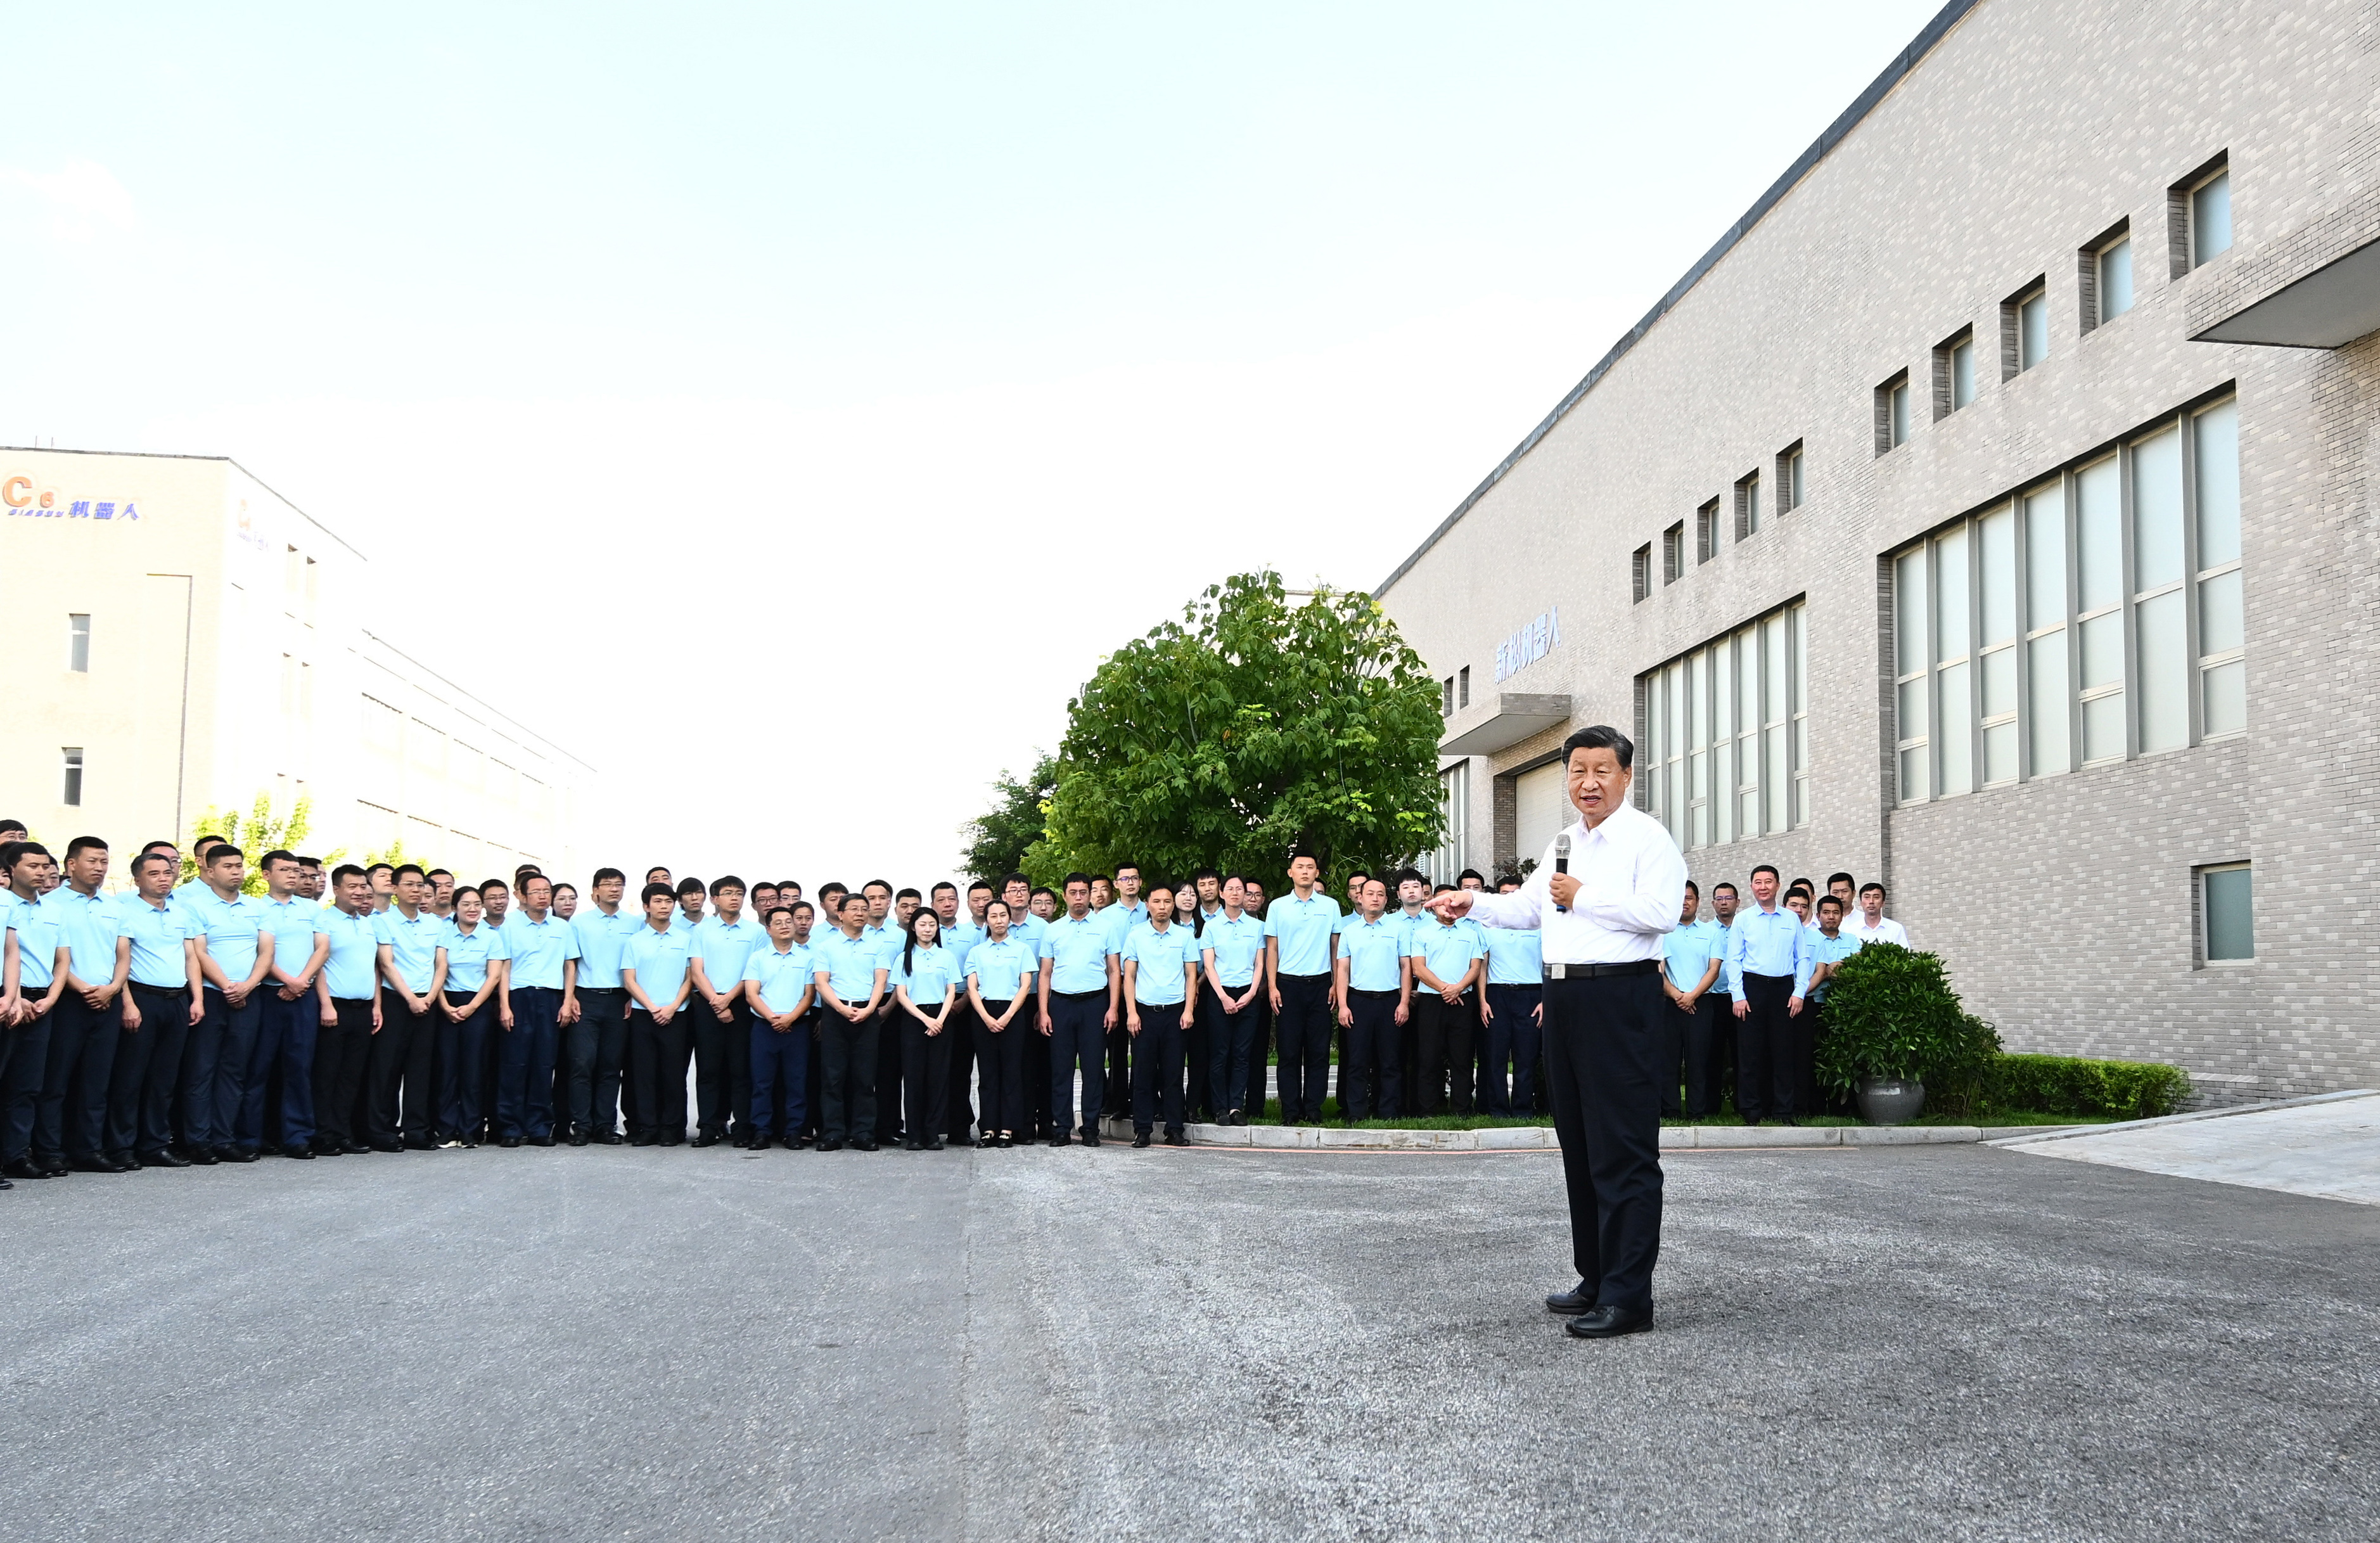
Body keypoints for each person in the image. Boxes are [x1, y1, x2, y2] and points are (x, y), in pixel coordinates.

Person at [1432, 725, 1686, 1340]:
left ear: (1626, 774)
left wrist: (1584, 895)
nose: (1588, 782)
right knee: (1580, 1143)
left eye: (1602, 770)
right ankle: (1596, 1277)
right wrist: (1474, 903)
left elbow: (1662, 912)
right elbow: (1531, 908)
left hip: (1619, 996)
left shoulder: (1648, 838)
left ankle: (1630, 1297)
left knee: (1623, 1148)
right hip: (1565, 997)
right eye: (1578, 771)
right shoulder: (1565, 840)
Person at [106, 852, 202, 1170]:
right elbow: (121, 959)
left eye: (167, 872)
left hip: (176, 999)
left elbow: (190, 957)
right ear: (137, 879)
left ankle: (156, 1145)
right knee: (131, 1077)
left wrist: (197, 999)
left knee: (165, 1078)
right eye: (154, 874)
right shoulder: (124, 910)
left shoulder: (181, 912)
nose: (164, 878)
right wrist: (128, 1003)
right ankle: (122, 1146)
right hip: (141, 997)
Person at [38, 836, 127, 1175]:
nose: (99, 868)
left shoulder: (114, 906)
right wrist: (83, 988)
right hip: (68, 999)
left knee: (97, 1080)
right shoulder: (51, 904)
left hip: (108, 1000)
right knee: (57, 1080)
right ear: (71, 864)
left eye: (104, 861)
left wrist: (113, 988)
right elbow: (52, 955)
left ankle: (89, 1148)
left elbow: (123, 954)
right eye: (92, 861)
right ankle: (50, 1150)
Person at [184, 843, 277, 1165]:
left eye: (239, 865)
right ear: (210, 871)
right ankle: (198, 1141)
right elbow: (199, 952)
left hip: (249, 995)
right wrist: (226, 986)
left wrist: (248, 986)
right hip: (212, 995)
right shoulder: (195, 906)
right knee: (202, 1070)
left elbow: (266, 951)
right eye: (228, 866)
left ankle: (224, 1139)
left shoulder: (257, 907)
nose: (236, 871)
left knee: (235, 1071)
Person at [246, 849, 329, 1160]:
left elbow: (322, 949)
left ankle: (297, 1136)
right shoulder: (255, 907)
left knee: (299, 1067)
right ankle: (252, 1136)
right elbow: (259, 952)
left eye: (296, 870)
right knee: (259, 1067)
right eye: (285, 870)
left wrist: (300, 982)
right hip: (267, 994)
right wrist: (285, 980)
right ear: (267, 875)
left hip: (303, 996)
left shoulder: (311, 909)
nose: (293, 875)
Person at [1726, 864, 1813, 1127]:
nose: (1763, 887)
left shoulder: (1791, 919)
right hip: (1752, 988)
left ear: (1778, 885)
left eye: (1768, 882)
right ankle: (1752, 1110)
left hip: (1784, 990)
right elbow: (1734, 959)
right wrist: (1738, 995)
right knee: (1750, 1053)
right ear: (1752, 886)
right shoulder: (1743, 919)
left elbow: (1802, 958)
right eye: (1758, 882)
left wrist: (1799, 992)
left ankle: (1784, 1111)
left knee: (1784, 1052)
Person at [497, 873, 580, 1148]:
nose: (543, 896)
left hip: (551, 998)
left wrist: (567, 1001)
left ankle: (540, 1127)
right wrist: (505, 1005)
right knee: (515, 1064)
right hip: (519, 997)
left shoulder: (561, 927)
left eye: (547, 891)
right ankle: (511, 1127)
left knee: (545, 1065)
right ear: (523, 896)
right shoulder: (510, 925)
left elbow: (570, 966)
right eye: (536, 892)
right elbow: (504, 967)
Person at [369, 864, 444, 1151]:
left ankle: (417, 1130)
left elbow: (441, 964)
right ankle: (382, 1130)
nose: (416, 890)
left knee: (420, 1068)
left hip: (428, 1000)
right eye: (409, 884)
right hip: (396, 1000)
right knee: (387, 1067)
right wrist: (411, 999)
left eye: (420, 885)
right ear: (395, 888)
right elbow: (386, 964)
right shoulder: (383, 922)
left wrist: (430, 997)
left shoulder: (435, 924)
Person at [1038, 874, 1116, 1147]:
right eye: (1073, 893)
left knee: (1093, 1068)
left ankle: (1090, 1128)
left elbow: (1114, 970)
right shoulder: (1053, 930)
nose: (1079, 898)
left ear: (1090, 895)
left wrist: (1113, 1007)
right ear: (1065, 896)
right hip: (1061, 1004)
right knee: (1061, 1069)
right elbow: (1045, 973)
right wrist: (1044, 1011)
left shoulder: (1105, 927)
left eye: (1084, 892)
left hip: (1095, 1003)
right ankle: (1062, 1127)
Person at [1118, 881, 1198, 1148]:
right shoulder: (1136, 935)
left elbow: (1191, 976)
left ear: (1173, 905)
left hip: (1176, 1013)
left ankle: (1175, 1129)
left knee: (1173, 1074)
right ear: (1148, 905)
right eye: (1156, 902)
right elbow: (1129, 976)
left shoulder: (1184, 936)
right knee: (1143, 1074)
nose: (1162, 907)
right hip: (1144, 1013)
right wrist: (1131, 1013)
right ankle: (1142, 1130)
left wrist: (1189, 1010)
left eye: (1167, 902)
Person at [311, 866, 383, 1156]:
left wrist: (377, 1005)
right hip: (335, 1006)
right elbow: (318, 966)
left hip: (364, 1008)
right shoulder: (324, 920)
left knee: (352, 1075)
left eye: (363, 886)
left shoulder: (368, 923)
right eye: (352, 886)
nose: (360, 892)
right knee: (327, 1074)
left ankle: (343, 1133)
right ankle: (323, 1134)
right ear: (336, 889)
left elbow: (374, 968)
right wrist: (326, 1004)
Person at [1264, 854, 1340, 1124]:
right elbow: (1272, 948)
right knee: (1289, 1052)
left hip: (1321, 984)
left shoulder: (1330, 906)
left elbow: (1335, 947)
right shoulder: (1278, 906)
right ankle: (1290, 1110)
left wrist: (1336, 983)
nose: (1305, 872)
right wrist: (1272, 986)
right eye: (1300, 867)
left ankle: (1314, 1108)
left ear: (1317, 873)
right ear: (1290, 873)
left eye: (1310, 868)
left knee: (1319, 1052)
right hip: (1288, 985)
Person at [567, 868, 639, 1144]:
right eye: (608, 884)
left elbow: (638, 965)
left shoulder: (634, 924)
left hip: (620, 999)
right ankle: (581, 1125)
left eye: (619, 884)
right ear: (596, 890)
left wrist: (633, 996)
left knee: (611, 1065)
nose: (614, 889)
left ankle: (605, 1125)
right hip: (585, 998)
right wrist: (570, 997)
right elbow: (571, 963)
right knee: (582, 1063)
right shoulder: (579, 923)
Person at [688, 875, 760, 1148]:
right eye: (728, 893)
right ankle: (709, 1126)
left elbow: (754, 972)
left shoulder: (755, 932)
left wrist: (728, 999)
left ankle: (742, 1127)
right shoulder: (702, 931)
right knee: (708, 1068)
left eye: (739, 893)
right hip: (708, 1004)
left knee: (741, 1069)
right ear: (715, 899)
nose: (735, 898)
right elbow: (697, 971)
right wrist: (716, 1001)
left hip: (742, 1004)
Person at [621, 883, 696, 1146]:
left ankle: (672, 1128)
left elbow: (690, 977)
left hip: (677, 1014)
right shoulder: (635, 941)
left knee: (674, 1074)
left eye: (668, 901)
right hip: (644, 1014)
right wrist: (652, 1008)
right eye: (658, 901)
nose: (664, 906)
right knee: (644, 1074)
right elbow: (629, 980)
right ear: (646, 906)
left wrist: (672, 1006)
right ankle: (648, 1127)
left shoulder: (685, 939)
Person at [435, 885, 509, 1148]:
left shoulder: (491, 937)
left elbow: (494, 976)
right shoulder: (444, 934)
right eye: (466, 904)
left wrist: (473, 1006)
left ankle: (470, 1129)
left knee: (474, 1070)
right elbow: (439, 971)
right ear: (455, 907)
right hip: (446, 1003)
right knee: (447, 1069)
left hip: (478, 1006)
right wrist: (444, 1005)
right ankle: (446, 1129)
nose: (473, 909)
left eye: (477, 904)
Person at [812, 892, 888, 1152]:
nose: (860, 913)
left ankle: (863, 1133)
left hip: (867, 1013)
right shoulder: (826, 946)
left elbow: (881, 981)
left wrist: (869, 1009)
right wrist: (842, 1009)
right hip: (836, 1013)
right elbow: (822, 982)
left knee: (865, 1077)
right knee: (832, 1077)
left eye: (864, 909)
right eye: (854, 909)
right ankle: (833, 1132)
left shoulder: (877, 945)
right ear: (841, 914)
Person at [1332, 877, 1408, 1122]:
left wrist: (1404, 1003)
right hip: (1359, 1001)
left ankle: (1388, 1111)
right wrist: (1343, 1005)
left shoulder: (1398, 928)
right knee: (1357, 1061)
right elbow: (1343, 970)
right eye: (1370, 894)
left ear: (1386, 899)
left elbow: (1406, 967)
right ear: (1360, 898)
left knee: (1390, 1061)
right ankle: (1356, 1112)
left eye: (1380, 894)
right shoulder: (1350, 931)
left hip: (1390, 1001)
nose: (1375, 898)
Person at [742, 902, 816, 1151]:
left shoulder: (807, 958)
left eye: (789, 922)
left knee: (797, 1082)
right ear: (768, 929)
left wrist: (790, 1019)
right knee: (762, 1083)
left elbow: (809, 995)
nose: (785, 926)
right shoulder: (758, 958)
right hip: (765, 1027)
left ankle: (793, 1131)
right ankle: (761, 1131)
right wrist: (773, 1018)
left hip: (797, 1027)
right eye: (778, 923)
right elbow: (752, 994)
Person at [1407, 885, 1486, 1116]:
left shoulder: (1470, 934)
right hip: (1432, 1001)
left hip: (1463, 1000)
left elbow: (1476, 967)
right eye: (1443, 903)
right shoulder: (1422, 933)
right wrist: (1445, 989)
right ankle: (1428, 1109)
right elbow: (1418, 968)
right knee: (1428, 1057)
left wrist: (1458, 989)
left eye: (1452, 903)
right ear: (1434, 906)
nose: (1448, 907)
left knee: (1462, 1057)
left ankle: (1462, 1108)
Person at [964, 899, 1036, 1148]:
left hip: (1012, 1013)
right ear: (987, 920)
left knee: (1012, 1072)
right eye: (993, 916)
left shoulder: (1022, 949)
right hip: (983, 1013)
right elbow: (972, 987)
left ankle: (1008, 1128)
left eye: (1003, 915)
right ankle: (989, 1128)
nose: (999, 920)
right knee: (988, 1074)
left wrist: (1007, 1016)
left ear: (1009, 918)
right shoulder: (977, 952)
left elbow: (1025, 985)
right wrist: (986, 1017)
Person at [892, 909, 962, 1151]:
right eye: (922, 925)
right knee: (914, 1078)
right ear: (913, 928)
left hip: (942, 1019)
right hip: (914, 1019)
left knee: (938, 1078)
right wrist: (925, 1020)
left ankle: (933, 1134)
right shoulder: (904, 958)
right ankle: (915, 1135)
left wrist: (939, 1020)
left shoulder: (946, 956)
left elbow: (951, 991)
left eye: (932, 924)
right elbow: (901, 995)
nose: (928, 929)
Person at [1199, 875, 1265, 1127]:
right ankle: (1220, 1108)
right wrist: (1223, 997)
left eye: (1240, 889)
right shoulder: (1211, 927)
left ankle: (1237, 1106)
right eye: (1231, 889)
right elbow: (1209, 965)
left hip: (1248, 995)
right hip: (1220, 995)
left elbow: (1259, 963)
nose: (1236, 893)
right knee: (1219, 1053)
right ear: (1222, 893)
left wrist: (1251, 993)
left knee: (1242, 1054)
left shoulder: (1256, 927)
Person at [1477, 873, 1544, 1117]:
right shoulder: (1488, 927)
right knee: (1496, 1056)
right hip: (1498, 995)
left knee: (1526, 1057)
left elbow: (1549, 964)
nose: (1510, 898)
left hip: (1531, 996)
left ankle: (1523, 1109)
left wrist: (1545, 1000)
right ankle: (1498, 1110)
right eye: (1505, 894)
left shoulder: (1538, 925)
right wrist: (1483, 1000)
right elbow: (1483, 965)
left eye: (1515, 894)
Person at [1659, 882, 1724, 1120]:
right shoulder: (1663, 933)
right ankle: (1671, 1111)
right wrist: (1678, 996)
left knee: (1699, 1060)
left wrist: (1693, 995)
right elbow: (1658, 970)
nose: (1684, 903)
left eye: (1689, 898)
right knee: (1669, 1061)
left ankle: (1697, 1111)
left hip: (1701, 1002)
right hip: (1670, 1003)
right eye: (1680, 898)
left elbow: (1714, 969)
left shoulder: (1711, 932)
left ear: (1698, 901)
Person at [937, 881, 988, 1146]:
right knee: (938, 1069)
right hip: (935, 1006)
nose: (947, 904)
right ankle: (934, 1125)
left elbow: (979, 969)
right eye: (941, 900)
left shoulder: (973, 933)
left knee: (962, 1069)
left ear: (959, 903)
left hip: (967, 1002)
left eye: (952, 899)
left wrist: (965, 1000)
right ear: (933, 904)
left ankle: (960, 1127)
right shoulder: (928, 930)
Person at [1845, 883, 1910, 947]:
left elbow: (1905, 952)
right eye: (1867, 897)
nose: (1871, 902)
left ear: (1883, 902)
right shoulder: (1851, 931)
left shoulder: (1896, 929)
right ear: (1861, 902)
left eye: (1876, 897)